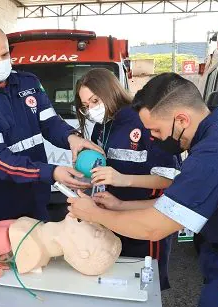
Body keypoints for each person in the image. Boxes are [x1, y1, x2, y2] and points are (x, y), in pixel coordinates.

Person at [67, 73, 218, 307]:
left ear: (181, 120)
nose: (153, 139)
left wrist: (94, 214)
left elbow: (156, 226)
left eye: (155, 131)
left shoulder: (216, 156)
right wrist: (121, 205)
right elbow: (182, 202)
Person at [0, 24, 102, 307]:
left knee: (37, 253)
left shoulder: (29, 83)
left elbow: (49, 123)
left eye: (5, 54)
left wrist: (73, 139)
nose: (1, 61)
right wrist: (53, 172)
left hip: (33, 192)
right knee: (4, 263)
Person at [74, 68, 180, 290]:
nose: (92, 109)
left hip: (147, 217)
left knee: (146, 285)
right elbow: (102, 167)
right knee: (118, 280)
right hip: (112, 215)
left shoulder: (144, 121)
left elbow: (169, 180)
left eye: (95, 100)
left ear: (110, 90)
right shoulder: (103, 126)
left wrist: (123, 179)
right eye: (86, 106)